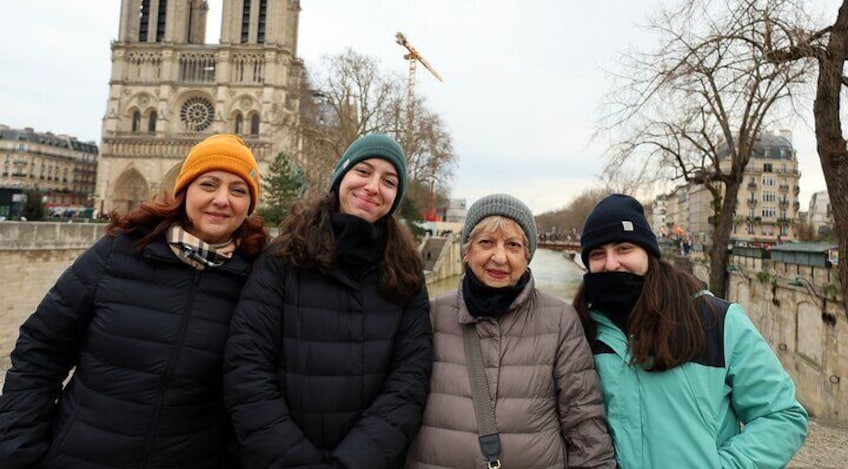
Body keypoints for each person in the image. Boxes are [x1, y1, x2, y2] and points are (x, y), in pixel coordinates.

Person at [0, 133, 268, 468]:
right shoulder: (118, 253)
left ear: (250, 204)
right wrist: (17, 452)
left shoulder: (257, 280)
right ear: (183, 191)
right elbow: (39, 354)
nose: (222, 199)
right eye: (208, 184)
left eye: (239, 190)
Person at [224, 133, 432, 468]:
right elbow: (246, 368)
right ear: (340, 177)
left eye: (389, 181)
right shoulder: (282, 259)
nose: (373, 187)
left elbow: (409, 382)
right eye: (363, 172)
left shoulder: (406, 274)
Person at [573, 193, 808, 468]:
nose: (611, 263)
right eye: (598, 254)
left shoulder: (716, 321)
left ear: (648, 253)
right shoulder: (579, 331)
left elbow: (783, 416)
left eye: (624, 249)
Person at [406, 193, 616, 468]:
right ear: (466, 252)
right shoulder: (430, 315)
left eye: (513, 245)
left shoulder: (560, 320)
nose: (500, 256)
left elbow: (584, 422)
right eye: (486, 242)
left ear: (527, 256)